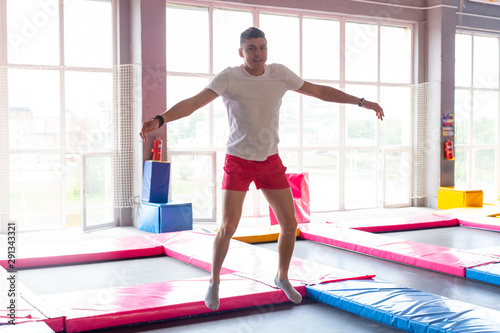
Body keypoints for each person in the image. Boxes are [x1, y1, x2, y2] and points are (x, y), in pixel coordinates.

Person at [140, 27, 384, 311]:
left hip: (269, 160)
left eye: (263, 47)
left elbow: (319, 91)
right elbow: (194, 103)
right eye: (252, 48)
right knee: (228, 226)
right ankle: (214, 281)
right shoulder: (229, 76)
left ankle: (282, 276)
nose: (258, 54)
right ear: (241, 51)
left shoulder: (280, 73)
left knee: (290, 225)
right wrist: (161, 118)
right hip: (238, 160)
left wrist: (361, 101)